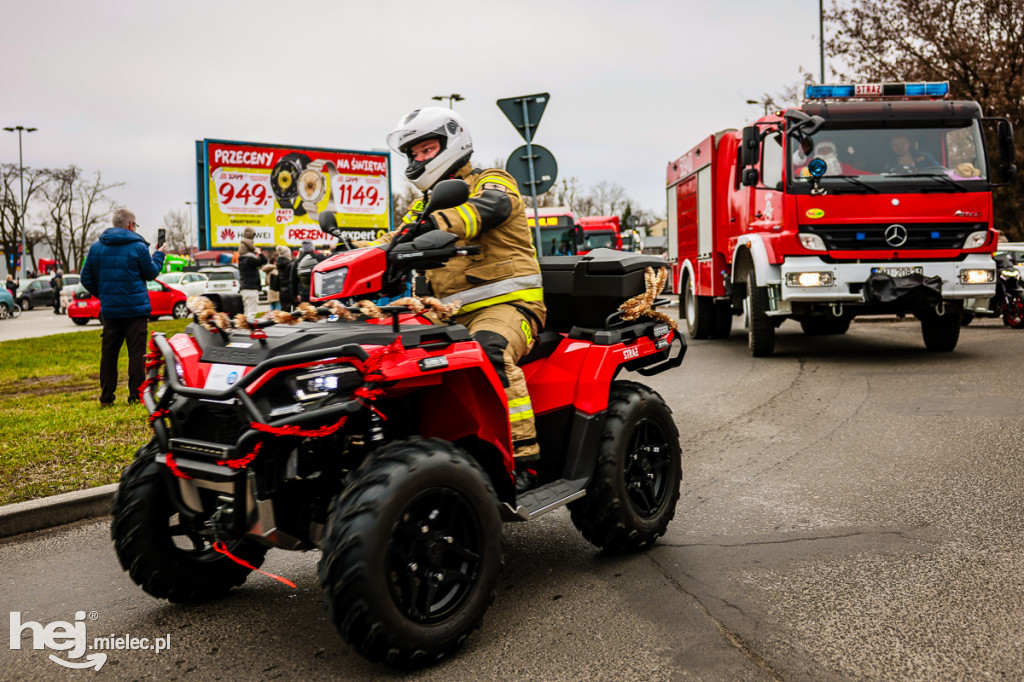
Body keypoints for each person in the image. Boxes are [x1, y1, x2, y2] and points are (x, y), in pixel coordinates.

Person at [370, 107, 546, 491]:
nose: (419, 159)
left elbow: (490, 208)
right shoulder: (425, 204)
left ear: (453, 143)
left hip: (508, 308)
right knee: (383, 355)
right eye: (413, 154)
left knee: (490, 351)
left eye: (427, 149)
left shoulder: (492, 180)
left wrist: (434, 224)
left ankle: (523, 461)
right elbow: (395, 238)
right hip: (445, 315)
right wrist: (346, 259)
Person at [80, 208, 165, 406]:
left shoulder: (96, 247)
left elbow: (86, 278)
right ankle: (136, 396)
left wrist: (104, 295)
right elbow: (151, 273)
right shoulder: (138, 247)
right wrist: (159, 255)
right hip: (136, 311)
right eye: (135, 225)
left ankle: (106, 397)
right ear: (130, 225)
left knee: (109, 354)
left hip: (110, 311)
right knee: (136, 353)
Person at [237, 227, 267, 316]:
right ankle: (250, 329)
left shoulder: (242, 260)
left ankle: (245, 328)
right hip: (251, 289)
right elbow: (264, 261)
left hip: (244, 288)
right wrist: (259, 252)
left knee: (246, 312)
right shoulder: (249, 260)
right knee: (252, 313)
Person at [291, 240, 324, 305]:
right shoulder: (320, 258)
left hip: (304, 294)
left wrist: (295, 295)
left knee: (307, 313)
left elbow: (293, 280)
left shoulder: (298, 261)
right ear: (312, 248)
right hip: (318, 293)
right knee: (320, 313)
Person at [274, 245, 294, 312]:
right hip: (290, 290)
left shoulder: (278, 264)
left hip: (282, 290)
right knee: (294, 312)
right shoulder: (290, 265)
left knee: (285, 311)